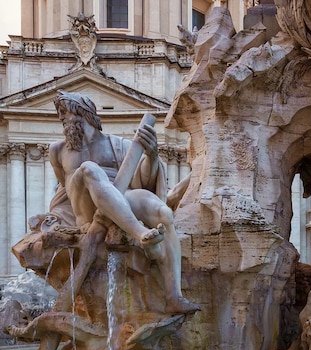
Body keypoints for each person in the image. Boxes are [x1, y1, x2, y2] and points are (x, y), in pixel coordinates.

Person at [48, 90, 199, 314]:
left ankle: (173, 295)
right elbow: (66, 190)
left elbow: (142, 180)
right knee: (89, 169)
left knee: (163, 213)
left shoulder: (118, 144)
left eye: (64, 112)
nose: (60, 117)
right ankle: (140, 234)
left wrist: (152, 155)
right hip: (89, 211)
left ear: (83, 113)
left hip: (120, 199)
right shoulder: (58, 150)